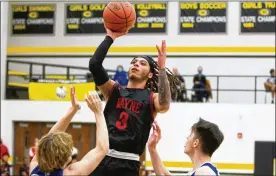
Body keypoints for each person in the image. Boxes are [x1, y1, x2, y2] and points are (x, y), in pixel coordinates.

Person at [88, 23, 180, 176]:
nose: (136, 64)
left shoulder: (151, 98)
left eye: (142, 63)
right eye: (133, 62)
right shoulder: (114, 90)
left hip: (127, 164)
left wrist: (162, 69)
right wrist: (110, 37)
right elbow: (94, 65)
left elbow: (164, 104)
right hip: (101, 157)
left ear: (150, 74)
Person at [29, 87, 109, 176]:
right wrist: (99, 113)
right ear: (63, 156)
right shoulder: (69, 173)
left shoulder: (34, 167)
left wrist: (73, 110)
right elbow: (102, 149)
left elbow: (49, 139)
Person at [148, 118, 224, 176]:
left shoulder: (205, 172)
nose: (187, 138)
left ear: (196, 143)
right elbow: (163, 174)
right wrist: (152, 148)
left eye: (190, 135)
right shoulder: (202, 171)